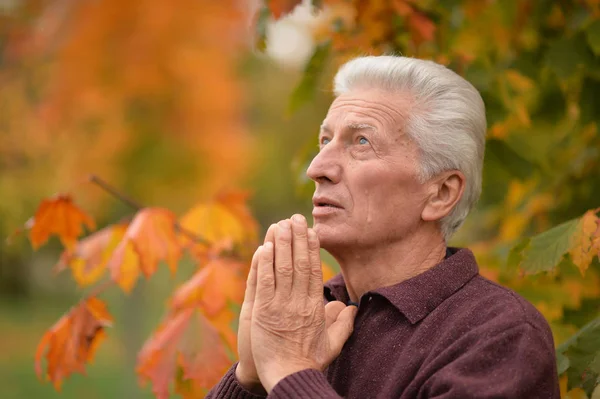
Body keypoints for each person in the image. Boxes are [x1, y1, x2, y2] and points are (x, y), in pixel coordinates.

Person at [206, 55, 560, 398]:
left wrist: (290, 374)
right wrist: (248, 383)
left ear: (440, 193)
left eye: (361, 142)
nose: (317, 167)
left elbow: (290, 371)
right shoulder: (305, 311)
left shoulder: (498, 335)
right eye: (325, 140)